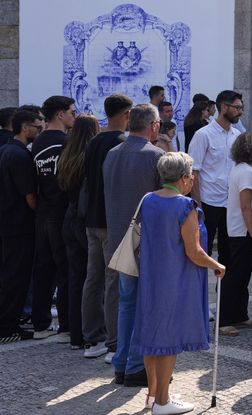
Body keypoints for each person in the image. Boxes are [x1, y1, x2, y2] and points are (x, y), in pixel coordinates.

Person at [135, 152, 225, 414]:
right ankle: (162, 402)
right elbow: (194, 252)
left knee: (153, 337)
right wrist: (217, 265)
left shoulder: (148, 200)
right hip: (174, 279)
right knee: (167, 340)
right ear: (185, 177)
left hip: (151, 277)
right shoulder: (185, 206)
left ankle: (153, 396)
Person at [103, 104, 164, 387]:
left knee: (126, 304)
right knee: (143, 306)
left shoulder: (112, 154)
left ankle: (122, 363)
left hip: (118, 239)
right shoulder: (155, 156)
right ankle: (136, 366)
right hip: (145, 243)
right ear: (152, 126)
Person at [83, 93, 132, 361]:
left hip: (91, 219)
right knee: (113, 281)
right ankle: (113, 342)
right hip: (109, 220)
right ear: (126, 115)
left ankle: (91, 338)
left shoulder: (93, 142)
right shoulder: (119, 143)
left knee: (93, 279)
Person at [31, 95, 77, 341]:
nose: (74, 115)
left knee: (44, 269)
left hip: (43, 212)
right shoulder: (65, 142)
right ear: (60, 115)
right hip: (60, 213)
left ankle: (40, 323)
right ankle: (66, 326)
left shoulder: (37, 142)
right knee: (65, 270)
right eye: (71, 111)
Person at [57, 115, 100, 350]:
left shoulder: (67, 155)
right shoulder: (89, 157)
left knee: (76, 278)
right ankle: (90, 332)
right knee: (93, 278)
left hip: (68, 219)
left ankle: (75, 334)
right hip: (84, 221)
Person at [0, 109, 43, 343]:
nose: (40, 131)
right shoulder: (19, 156)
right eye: (38, 127)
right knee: (16, 277)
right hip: (19, 225)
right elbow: (29, 195)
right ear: (25, 127)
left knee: (9, 275)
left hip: (8, 222)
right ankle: (8, 326)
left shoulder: (6, 150)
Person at [220, 132, 252, 336]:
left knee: (242, 275)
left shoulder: (241, 169)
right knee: (235, 276)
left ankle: (239, 314)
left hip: (240, 229)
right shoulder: (246, 172)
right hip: (242, 231)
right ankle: (224, 320)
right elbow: (245, 206)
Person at [188, 90, 243, 257]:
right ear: (224, 107)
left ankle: (224, 284)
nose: (240, 111)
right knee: (203, 250)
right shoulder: (203, 135)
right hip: (208, 201)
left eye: (242, 107)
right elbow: (193, 171)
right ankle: (200, 284)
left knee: (228, 252)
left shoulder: (237, 135)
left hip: (231, 202)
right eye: (237, 107)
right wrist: (198, 205)